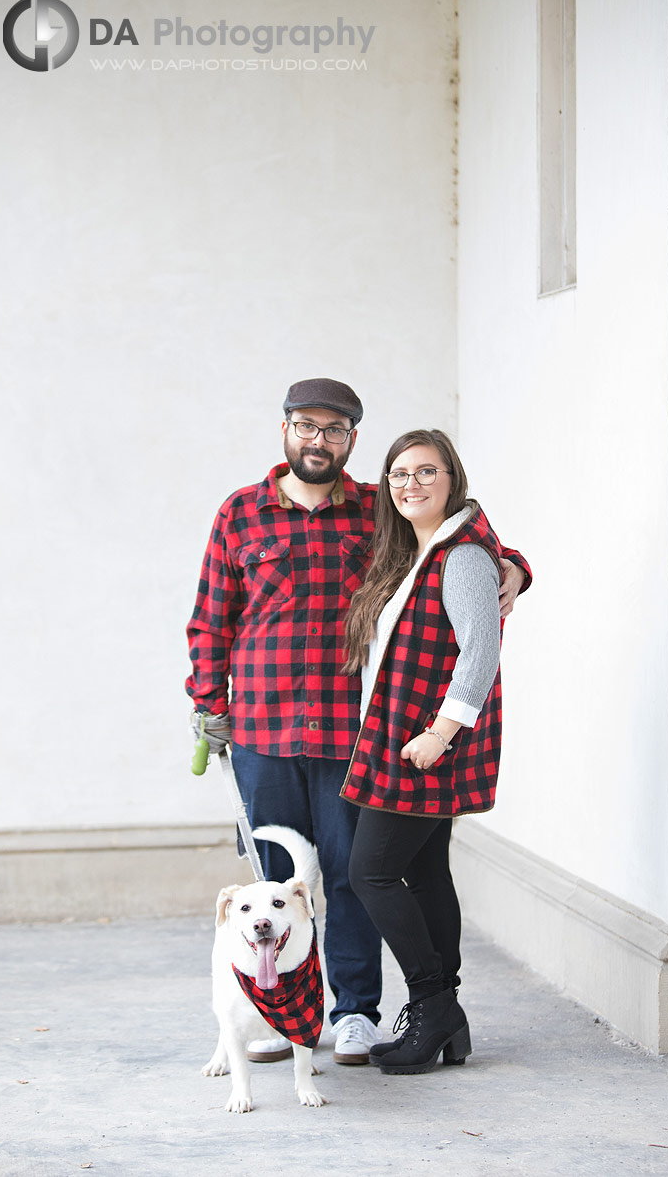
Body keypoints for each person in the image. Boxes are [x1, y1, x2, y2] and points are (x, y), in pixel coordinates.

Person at [186, 380, 531, 1065]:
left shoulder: (379, 509)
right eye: (306, 426)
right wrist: (207, 702)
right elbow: (211, 615)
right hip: (261, 729)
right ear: (285, 429)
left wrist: (515, 569)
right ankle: (284, 1016)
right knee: (277, 886)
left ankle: (353, 1013)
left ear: (351, 439)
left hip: (354, 730)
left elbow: (459, 542)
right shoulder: (240, 513)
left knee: (352, 876)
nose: (318, 440)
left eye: (334, 429)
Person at [344, 428, 517, 1074]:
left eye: (426, 472)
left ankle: (432, 1003)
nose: (410, 484)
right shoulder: (413, 552)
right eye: (399, 474)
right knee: (424, 873)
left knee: (371, 873)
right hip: (402, 738)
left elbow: (480, 652)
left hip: (426, 743)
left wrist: (440, 733)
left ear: (452, 480)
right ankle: (446, 1019)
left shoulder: (462, 556)